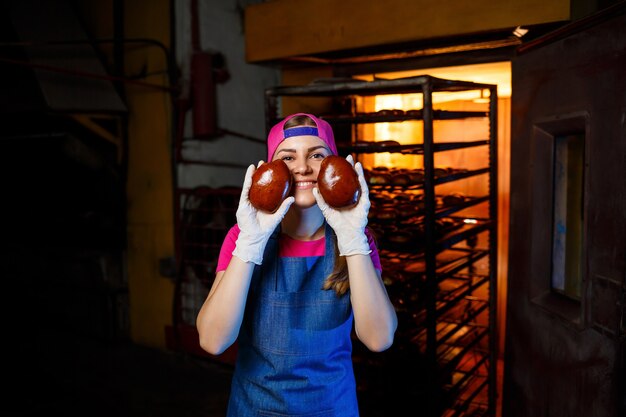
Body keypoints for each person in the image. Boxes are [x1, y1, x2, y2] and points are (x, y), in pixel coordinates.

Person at [196, 113, 397, 416]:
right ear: (269, 170)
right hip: (255, 408)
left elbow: (379, 338)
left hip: (332, 407)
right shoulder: (244, 236)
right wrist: (251, 243)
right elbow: (213, 341)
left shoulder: (356, 238)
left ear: (337, 165)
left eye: (317, 155)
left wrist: (352, 238)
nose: (303, 167)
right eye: (287, 157)